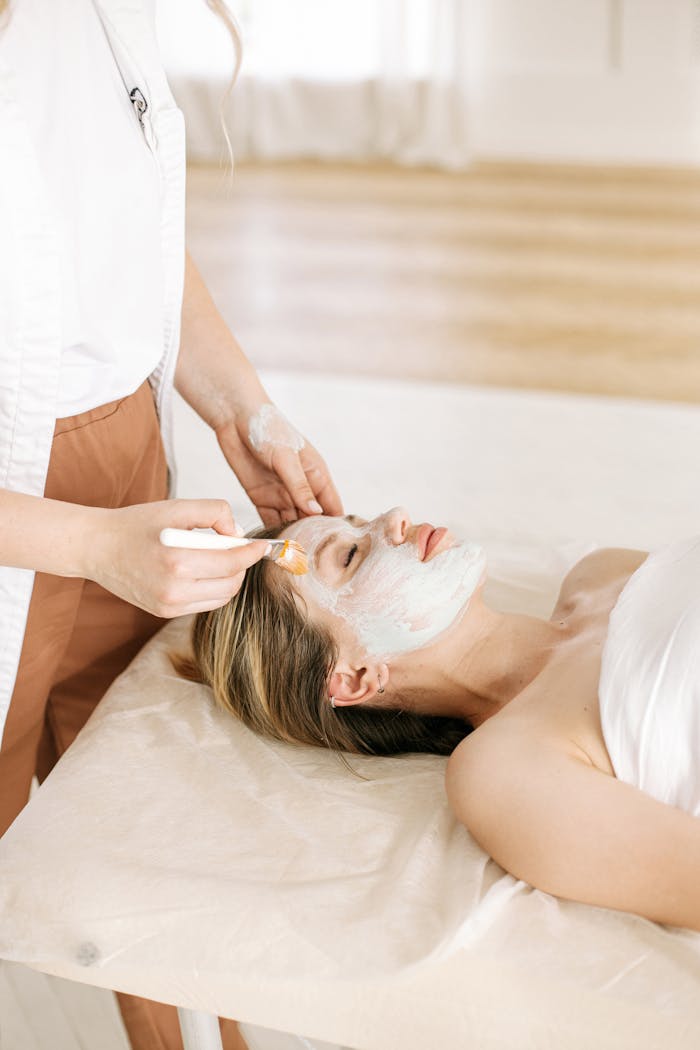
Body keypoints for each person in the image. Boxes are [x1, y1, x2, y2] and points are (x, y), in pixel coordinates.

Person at [0, 1, 341, 1048]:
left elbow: (134, 237)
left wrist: (242, 408)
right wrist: (93, 546)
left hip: (124, 463)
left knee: (150, 805)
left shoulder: (102, 16)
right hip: (24, 511)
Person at [176, 508, 700, 936]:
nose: (395, 519)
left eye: (360, 520)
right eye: (353, 555)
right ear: (356, 676)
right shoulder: (504, 771)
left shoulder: (603, 573)